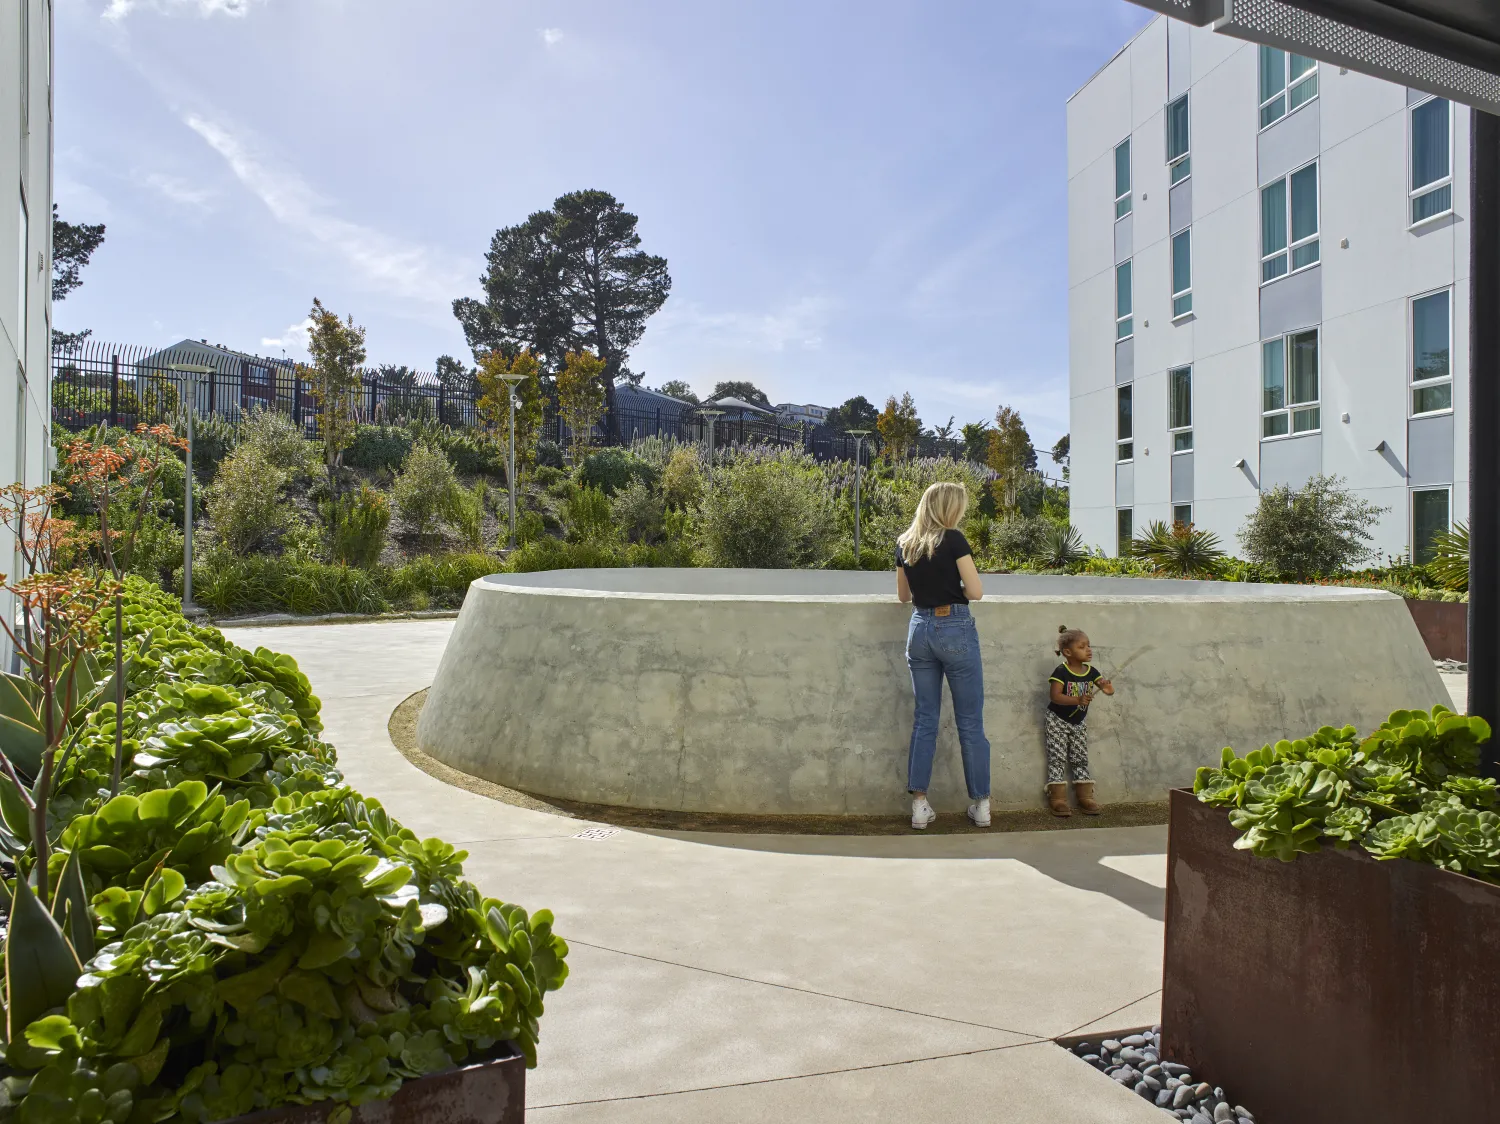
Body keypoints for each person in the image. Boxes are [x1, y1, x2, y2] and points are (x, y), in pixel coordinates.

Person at [895, 482, 991, 830]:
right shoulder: (953, 539)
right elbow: (976, 592)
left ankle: (920, 806)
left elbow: (904, 597)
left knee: (925, 720)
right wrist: (954, 587)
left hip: (918, 629)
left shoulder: (905, 543)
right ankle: (981, 804)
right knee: (970, 721)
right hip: (955, 627)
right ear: (950, 508)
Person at [1045, 626, 1114, 817]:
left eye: (1089, 646)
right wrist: (1077, 700)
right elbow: (1055, 696)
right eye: (1082, 646)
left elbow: (1107, 689)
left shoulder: (1091, 672)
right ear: (1068, 652)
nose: (1088, 650)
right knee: (1057, 758)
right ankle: (1057, 799)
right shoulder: (1061, 672)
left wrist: (1107, 687)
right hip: (1057, 720)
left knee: (1080, 757)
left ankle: (1085, 797)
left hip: (1078, 721)